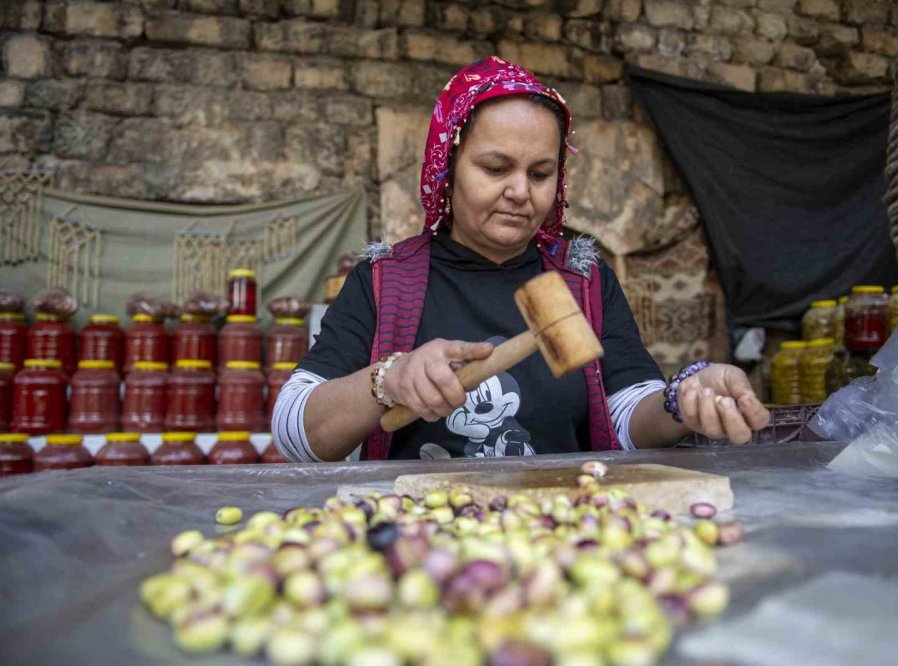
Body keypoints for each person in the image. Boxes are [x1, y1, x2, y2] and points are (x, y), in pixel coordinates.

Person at [273, 56, 770, 462]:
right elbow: (293, 433)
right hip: (421, 541)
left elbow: (625, 419)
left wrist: (682, 402)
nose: (519, 191)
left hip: (560, 534)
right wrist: (388, 380)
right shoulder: (386, 281)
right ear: (447, 166)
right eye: (495, 168)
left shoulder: (583, 283)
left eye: (539, 173)